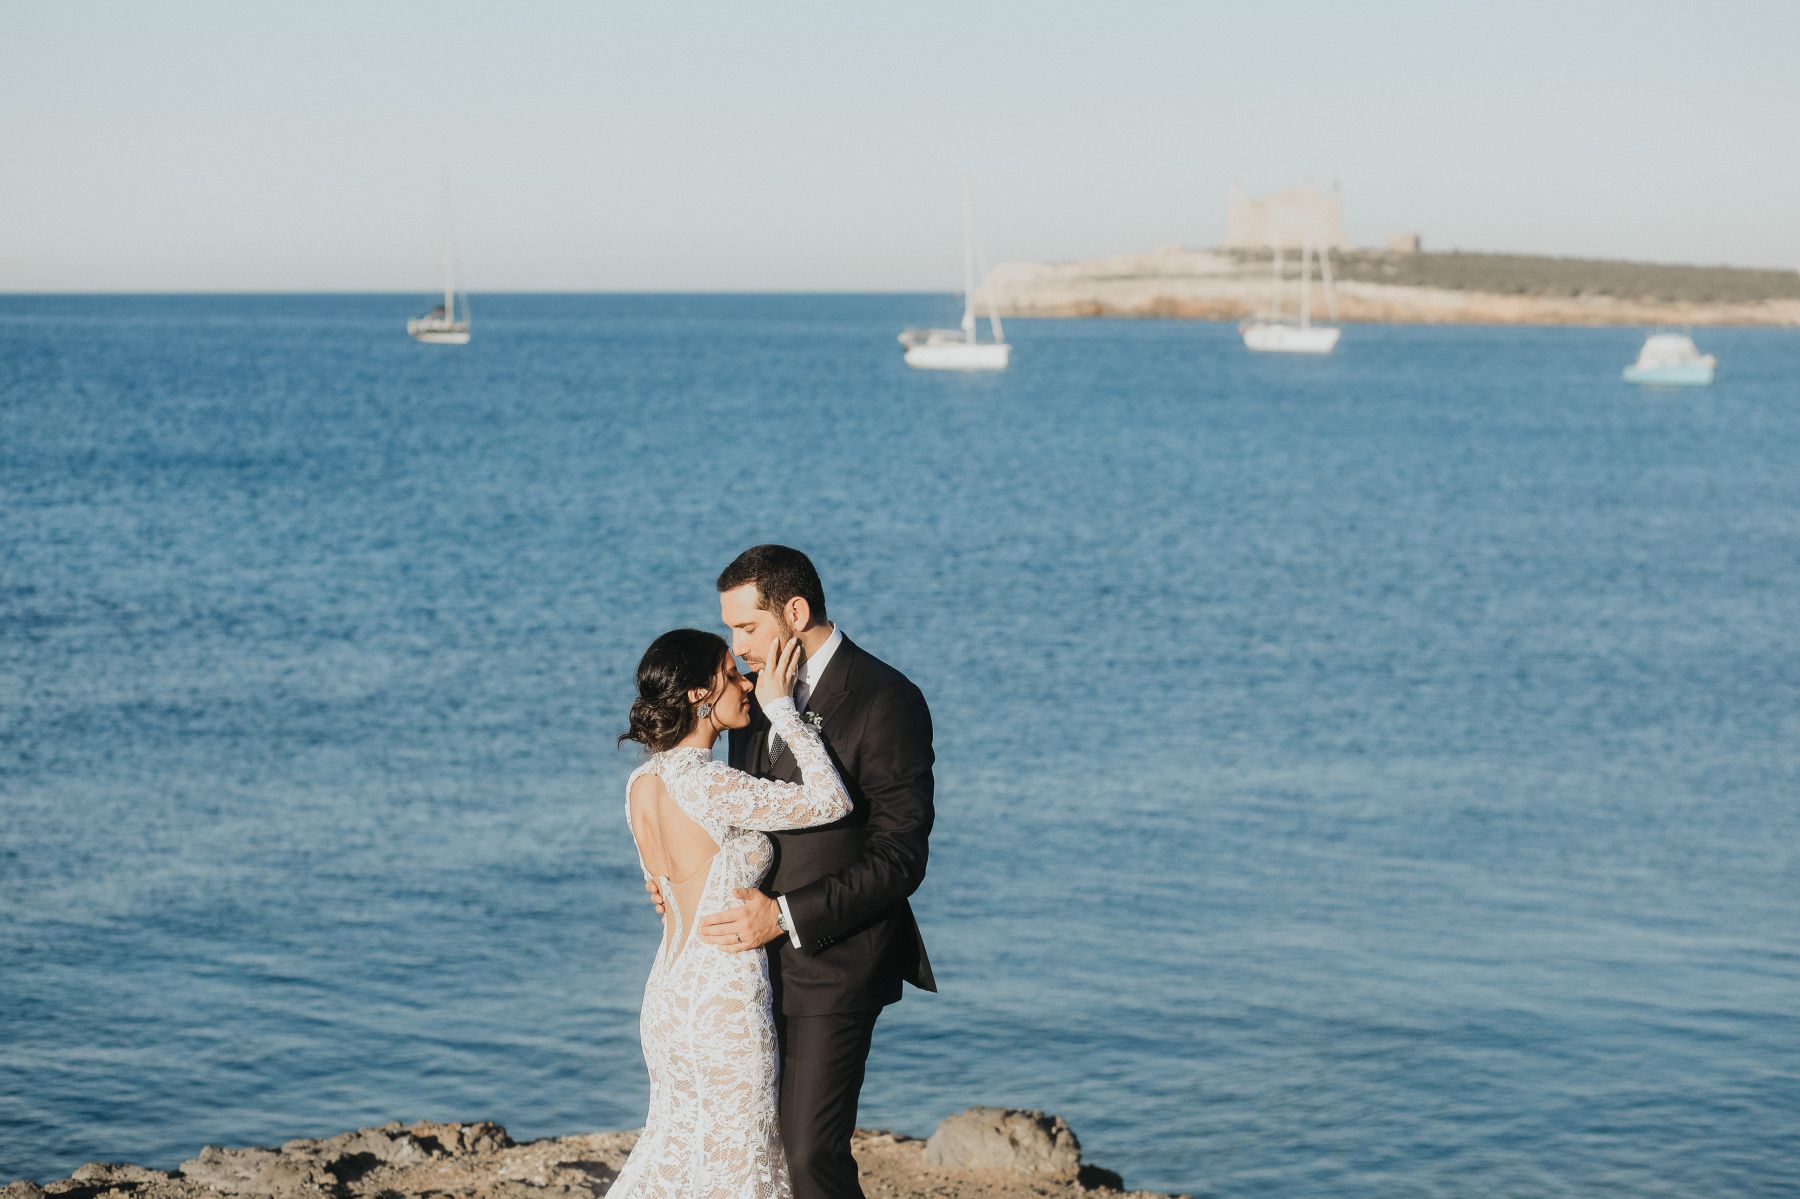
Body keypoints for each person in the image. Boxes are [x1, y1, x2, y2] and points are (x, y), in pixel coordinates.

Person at [658, 544, 937, 1199]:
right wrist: (679, 877)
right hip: (742, 971)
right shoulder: (751, 699)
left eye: (747, 627)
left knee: (810, 1152)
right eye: (731, 629)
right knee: (755, 1150)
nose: (737, 648)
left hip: (835, 960)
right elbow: (737, 815)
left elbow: (901, 857)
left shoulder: (886, 698)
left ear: (796, 611)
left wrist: (784, 915)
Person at [611, 628, 852, 1199]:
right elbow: (832, 801)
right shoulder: (708, 782)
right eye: (730, 673)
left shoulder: (641, 784)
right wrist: (783, 710)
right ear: (699, 694)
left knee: (677, 1152)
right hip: (724, 999)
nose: (746, 683)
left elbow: (666, 889)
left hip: (668, 996)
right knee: (740, 1165)